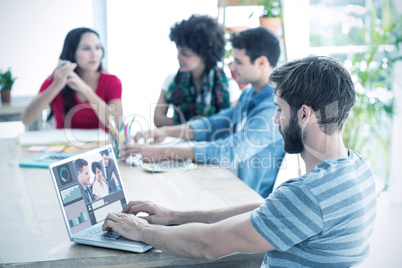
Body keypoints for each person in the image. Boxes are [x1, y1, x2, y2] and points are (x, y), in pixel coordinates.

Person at [104, 56, 377, 267]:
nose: (274, 120)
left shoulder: (309, 195)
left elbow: (207, 245)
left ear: (304, 114)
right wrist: (175, 216)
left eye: (279, 110)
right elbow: (271, 210)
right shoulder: (357, 167)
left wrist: (141, 230)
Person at [123, 27, 285, 198]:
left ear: (261, 62)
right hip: (226, 179)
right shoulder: (250, 93)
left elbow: (232, 149)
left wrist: (162, 152)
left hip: (245, 196)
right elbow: (216, 123)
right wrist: (165, 131)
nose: (233, 67)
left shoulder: (275, 107)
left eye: (238, 62)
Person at [21, 27, 123, 131]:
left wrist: (86, 90)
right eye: (86, 48)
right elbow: (26, 119)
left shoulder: (112, 81)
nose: (94, 54)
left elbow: (118, 124)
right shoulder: (58, 78)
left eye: (97, 48)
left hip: (102, 145)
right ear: (72, 53)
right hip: (65, 145)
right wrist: (56, 86)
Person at [154, 14, 240, 127]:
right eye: (178, 51)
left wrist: (193, 125)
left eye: (185, 53)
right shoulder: (171, 80)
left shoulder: (229, 86)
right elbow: (158, 119)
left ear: (204, 55)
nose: (178, 57)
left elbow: (233, 123)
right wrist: (194, 124)